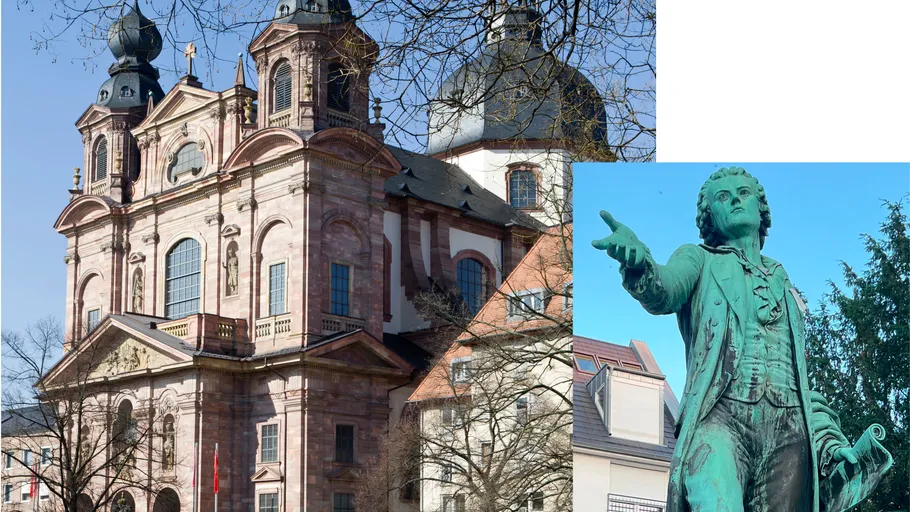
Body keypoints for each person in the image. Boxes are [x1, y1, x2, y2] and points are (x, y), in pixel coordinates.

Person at [592, 167, 863, 512]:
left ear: (761, 210)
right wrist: (640, 263)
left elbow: (800, 379)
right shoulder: (698, 258)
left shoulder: (782, 278)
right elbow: (665, 288)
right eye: (723, 196)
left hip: (789, 431)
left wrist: (827, 440)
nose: (735, 198)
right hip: (721, 418)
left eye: (744, 193)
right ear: (710, 216)